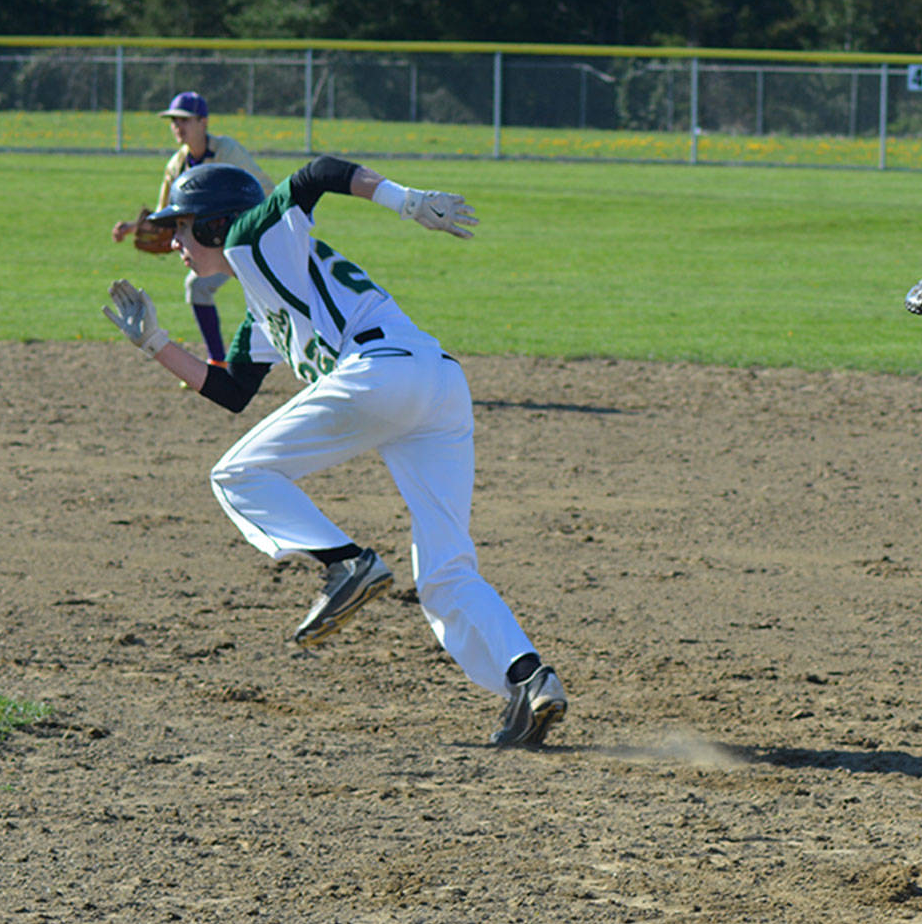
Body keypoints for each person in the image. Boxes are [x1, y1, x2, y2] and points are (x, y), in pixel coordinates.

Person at [101, 157, 571, 749]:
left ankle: (346, 562)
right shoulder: (263, 300)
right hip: (439, 385)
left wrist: (406, 201)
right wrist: (157, 344)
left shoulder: (252, 237)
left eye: (185, 227)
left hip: (380, 375)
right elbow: (230, 390)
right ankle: (530, 680)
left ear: (219, 226)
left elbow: (316, 173)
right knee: (445, 571)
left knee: (237, 474)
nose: (174, 242)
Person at [110, 91, 272, 366]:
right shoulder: (176, 165)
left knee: (270, 294)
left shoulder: (227, 151)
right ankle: (217, 361)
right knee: (197, 286)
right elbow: (165, 215)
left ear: (203, 122)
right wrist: (132, 227)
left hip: (257, 237)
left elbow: (264, 191)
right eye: (174, 121)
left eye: (184, 120)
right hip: (219, 245)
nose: (178, 127)